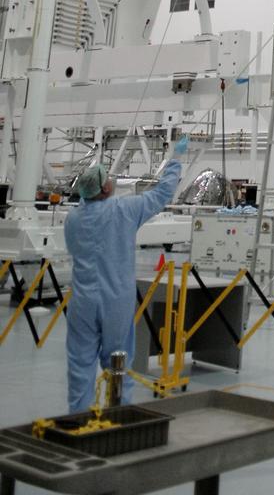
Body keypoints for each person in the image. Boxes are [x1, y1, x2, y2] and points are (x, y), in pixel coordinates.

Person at [64, 136, 188, 413]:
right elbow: (161, 194)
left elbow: (74, 249)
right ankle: (118, 416)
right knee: (118, 362)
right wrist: (176, 160)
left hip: (82, 300)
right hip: (115, 301)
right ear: (106, 187)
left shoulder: (72, 219)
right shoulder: (124, 209)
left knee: (80, 362)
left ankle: (77, 419)